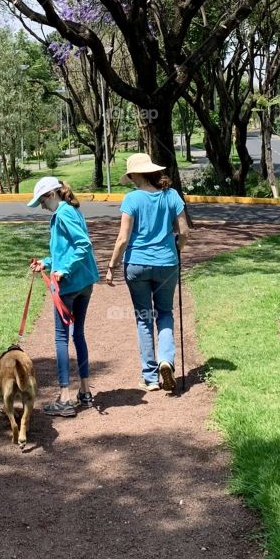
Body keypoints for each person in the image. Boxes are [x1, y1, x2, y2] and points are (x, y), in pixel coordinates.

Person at [106, 152, 190, 393]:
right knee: (165, 312)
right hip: (166, 264)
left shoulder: (131, 199)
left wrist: (111, 266)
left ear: (135, 174)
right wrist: (177, 248)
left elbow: (123, 239)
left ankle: (150, 377)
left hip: (136, 265)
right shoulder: (171, 195)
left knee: (144, 318)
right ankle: (166, 359)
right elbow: (184, 231)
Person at [27, 175, 100, 417]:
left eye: (41, 201)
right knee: (77, 334)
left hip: (69, 285)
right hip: (84, 281)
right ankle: (85, 392)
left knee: (61, 337)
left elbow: (83, 244)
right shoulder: (71, 210)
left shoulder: (64, 213)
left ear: (52, 195)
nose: (41, 206)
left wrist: (63, 270)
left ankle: (65, 397)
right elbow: (66, 250)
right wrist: (47, 263)